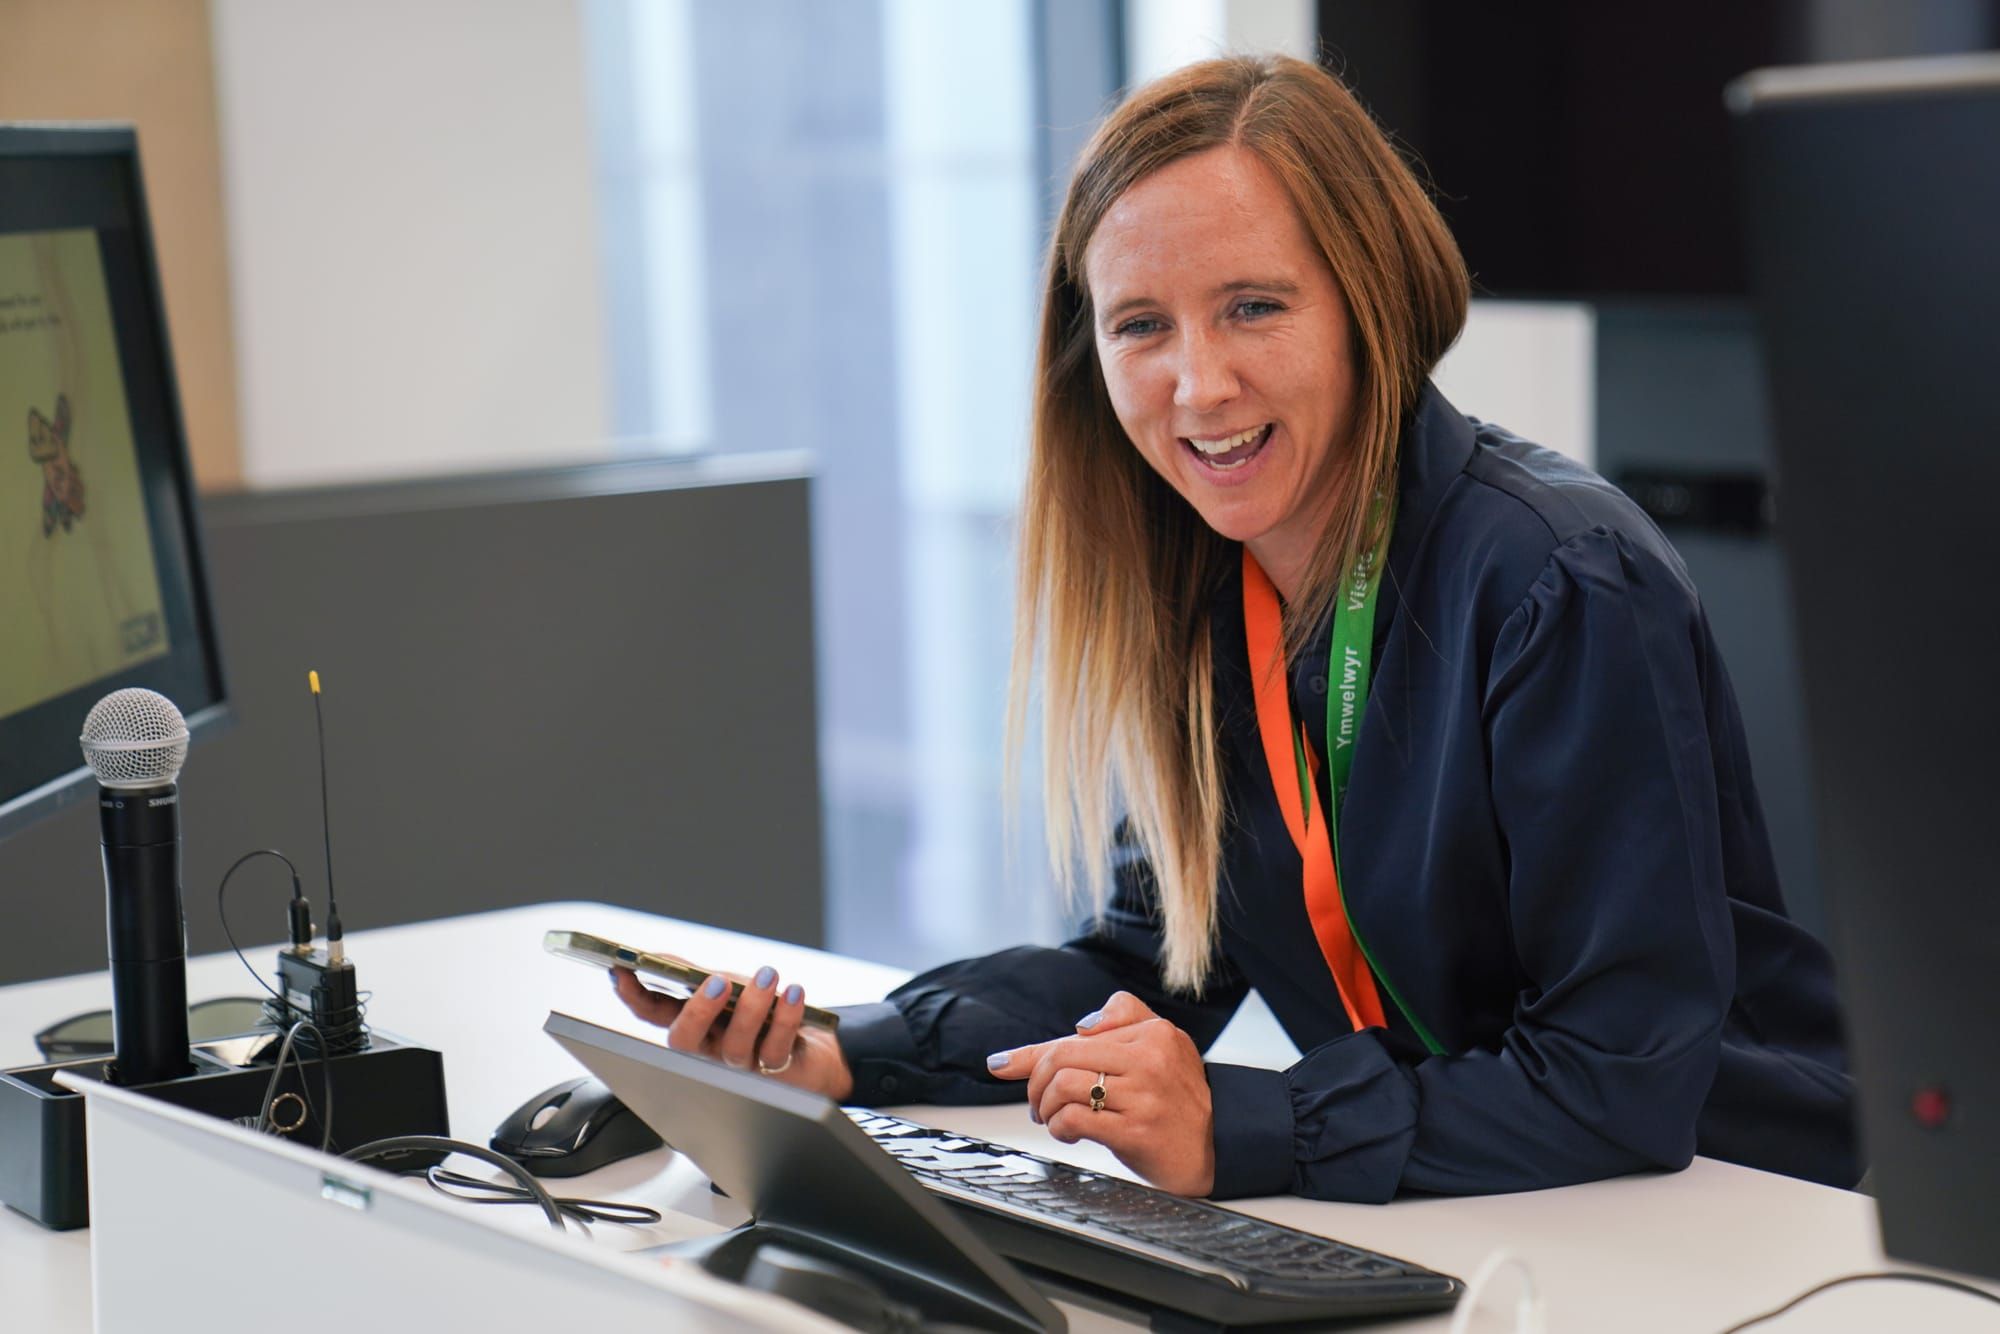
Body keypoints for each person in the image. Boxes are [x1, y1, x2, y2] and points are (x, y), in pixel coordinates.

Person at [612, 53, 1857, 1203]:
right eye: (1140, 324)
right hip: (1490, 1213)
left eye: (1253, 306)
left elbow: (1614, 1081)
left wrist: (1241, 1127)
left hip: (1736, 1212)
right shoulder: (1207, 584)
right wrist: (839, 1050)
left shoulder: (1558, 579)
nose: (1196, 385)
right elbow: (1158, 953)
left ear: (1369, 302)